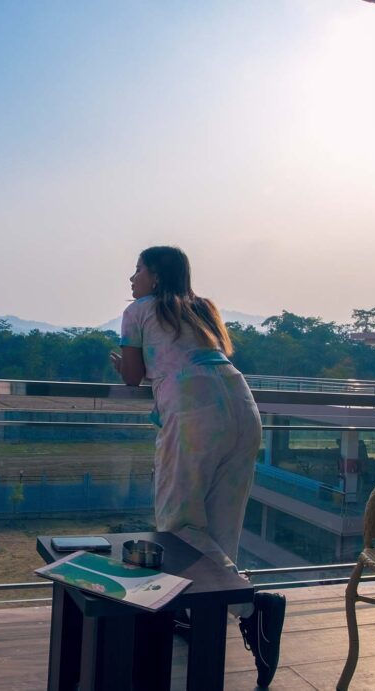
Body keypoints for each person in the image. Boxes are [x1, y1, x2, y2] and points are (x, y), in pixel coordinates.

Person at [110, 245, 286, 688]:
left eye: (138, 270)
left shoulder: (140, 309)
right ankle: (202, 613)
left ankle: (251, 606)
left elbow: (132, 376)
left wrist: (127, 367)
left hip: (194, 414)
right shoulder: (200, 309)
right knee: (220, 527)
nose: (132, 278)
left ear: (154, 275)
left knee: (178, 525)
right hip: (241, 405)